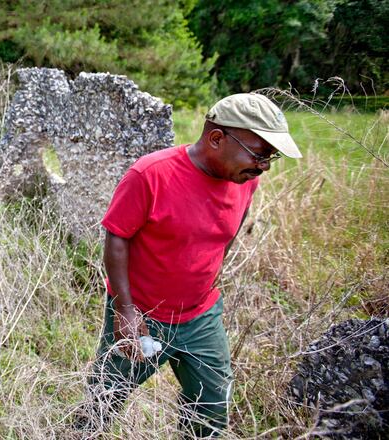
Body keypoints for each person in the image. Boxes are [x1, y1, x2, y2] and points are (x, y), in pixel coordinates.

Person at [77, 93, 302, 437]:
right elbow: (117, 237)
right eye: (260, 153)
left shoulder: (245, 179)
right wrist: (125, 310)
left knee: (211, 408)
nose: (264, 166)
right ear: (216, 138)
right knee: (104, 399)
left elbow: (227, 231)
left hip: (201, 317)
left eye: (271, 157)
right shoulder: (150, 174)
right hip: (141, 315)